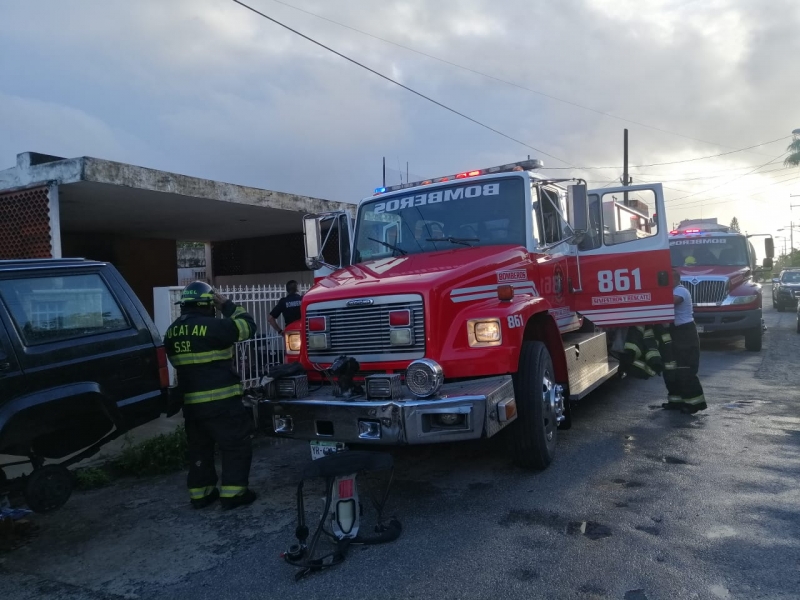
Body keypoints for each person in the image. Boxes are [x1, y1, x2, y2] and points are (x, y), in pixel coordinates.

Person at [166, 281, 258, 510]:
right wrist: (227, 305)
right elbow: (248, 326)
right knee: (235, 445)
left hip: (192, 406)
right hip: (222, 403)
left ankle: (201, 494)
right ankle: (233, 494)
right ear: (208, 304)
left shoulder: (172, 332)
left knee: (199, 449)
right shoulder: (215, 327)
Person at [661, 270, 707, 414]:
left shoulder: (681, 291)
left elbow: (670, 302)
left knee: (685, 369)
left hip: (685, 334)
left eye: (668, 279)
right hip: (675, 333)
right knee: (672, 369)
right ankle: (676, 401)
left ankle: (694, 404)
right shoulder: (673, 290)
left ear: (675, 279)